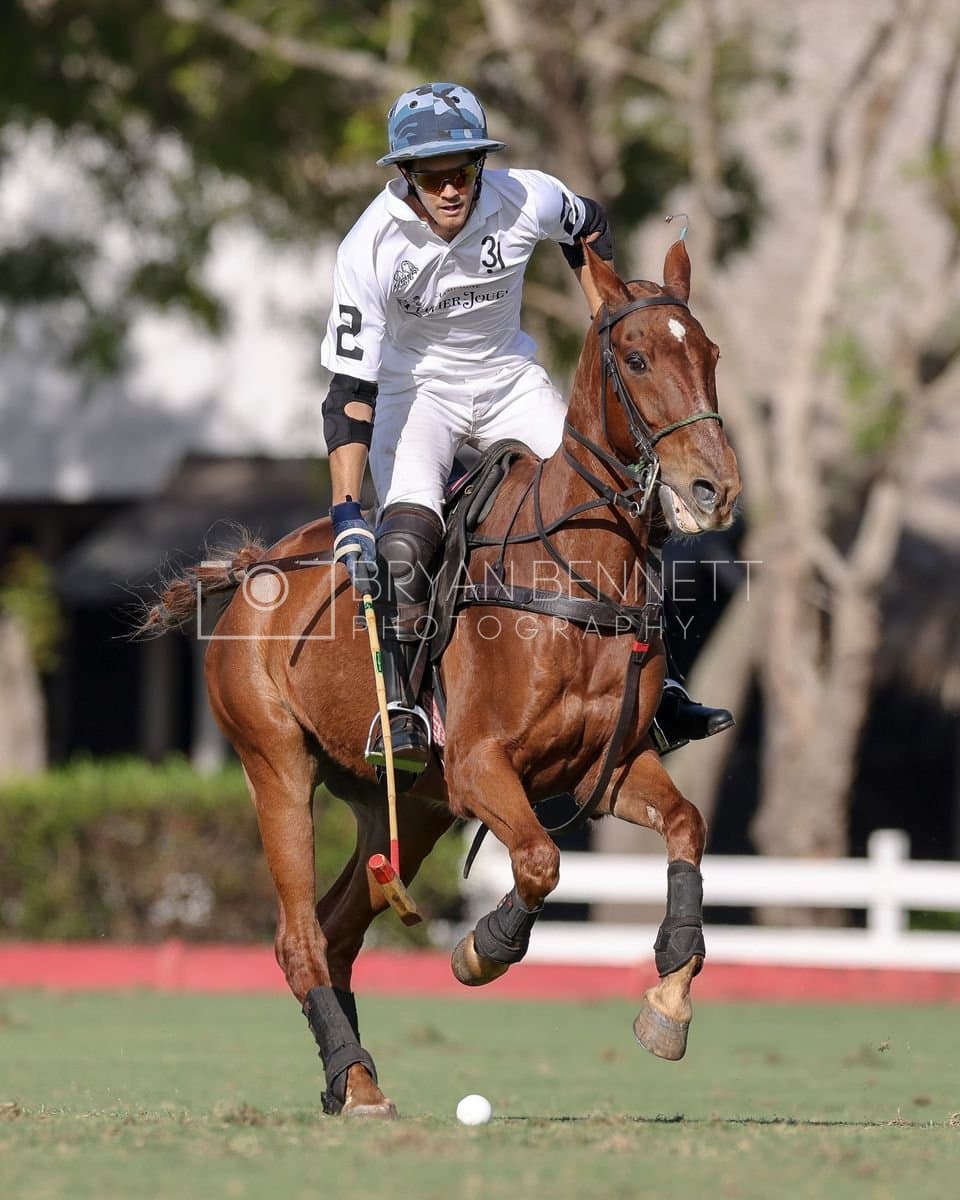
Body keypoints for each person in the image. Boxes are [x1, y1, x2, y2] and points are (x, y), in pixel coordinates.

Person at [320, 81, 731, 775]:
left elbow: (588, 223)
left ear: (481, 165)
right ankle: (405, 706)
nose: (450, 190)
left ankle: (660, 691)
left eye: (462, 171)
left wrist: (603, 310)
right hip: (416, 395)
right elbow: (349, 393)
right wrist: (344, 509)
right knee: (404, 543)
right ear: (405, 176)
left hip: (510, 379)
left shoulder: (526, 196)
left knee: (633, 504)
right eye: (431, 175)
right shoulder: (370, 247)